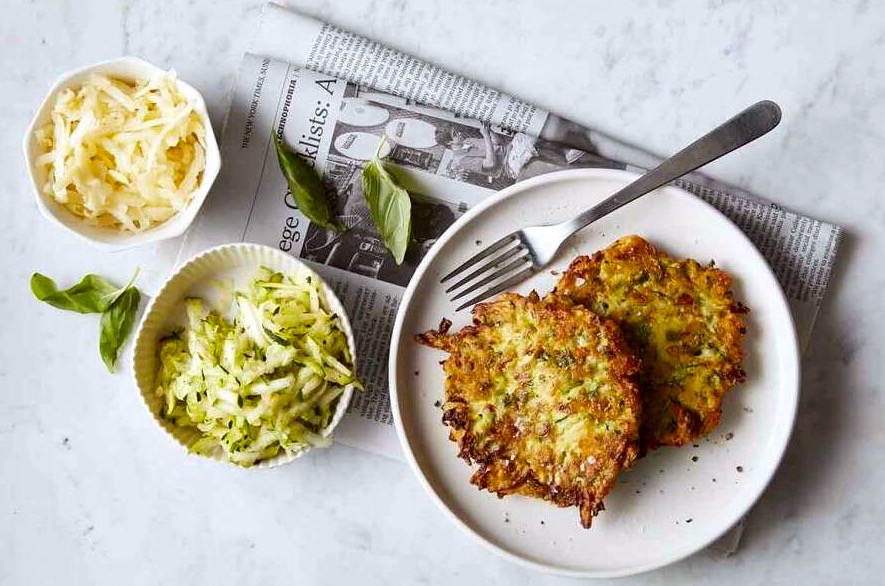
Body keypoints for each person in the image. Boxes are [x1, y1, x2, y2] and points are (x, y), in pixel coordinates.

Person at [435, 122, 503, 182]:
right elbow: (490, 163)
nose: (459, 133)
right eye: (455, 134)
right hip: (506, 165)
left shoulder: (467, 141)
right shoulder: (461, 160)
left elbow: (496, 143)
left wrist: (488, 130)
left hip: (508, 151)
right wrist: (486, 136)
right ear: (449, 142)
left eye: (457, 131)